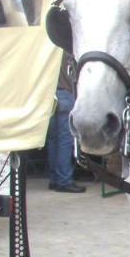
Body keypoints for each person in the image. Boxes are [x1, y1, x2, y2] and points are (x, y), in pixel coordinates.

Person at [46, 56, 84, 193]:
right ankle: (64, 180)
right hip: (65, 93)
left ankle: (54, 179)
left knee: (53, 140)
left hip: (49, 95)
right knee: (65, 140)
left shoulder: (49, 51)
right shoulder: (68, 50)